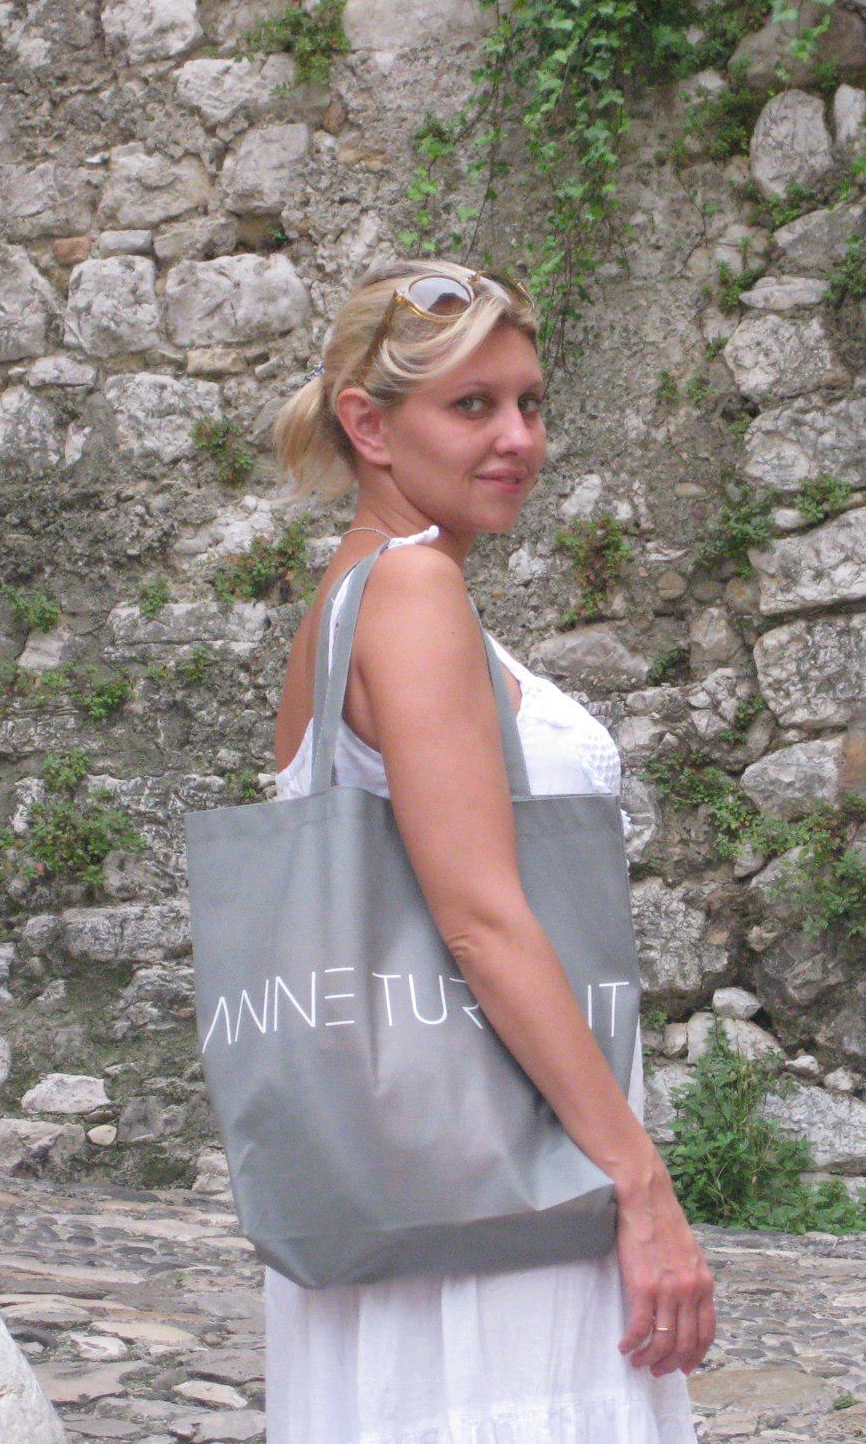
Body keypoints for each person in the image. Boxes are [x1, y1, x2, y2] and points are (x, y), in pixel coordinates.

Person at [259, 259, 708, 1440]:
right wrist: (638, 1185)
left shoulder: (349, 598)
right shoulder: (411, 594)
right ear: (369, 425)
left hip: (414, 1160)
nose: (518, 438)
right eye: (472, 406)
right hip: (506, 1165)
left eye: (530, 403)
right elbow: (482, 919)